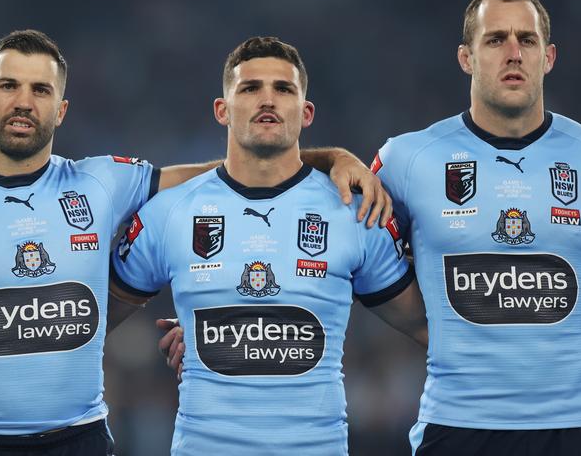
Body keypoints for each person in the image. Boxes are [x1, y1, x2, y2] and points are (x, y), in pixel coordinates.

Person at [0, 29, 391, 456]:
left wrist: (332, 157)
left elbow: (238, 168)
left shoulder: (102, 181)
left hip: (79, 439)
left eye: (41, 90)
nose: (24, 102)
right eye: (9, 85)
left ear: (61, 110)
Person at [109, 36, 427, 455]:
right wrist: (208, 338)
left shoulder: (355, 212)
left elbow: (429, 327)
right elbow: (85, 327)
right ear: (222, 110)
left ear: (306, 112)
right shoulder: (168, 213)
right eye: (250, 88)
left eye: (284, 89)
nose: (268, 99)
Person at [372, 0, 581, 455]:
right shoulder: (406, 159)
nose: (513, 53)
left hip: (579, 427)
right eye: (495, 40)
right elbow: (331, 250)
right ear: (466, 58)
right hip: (457, 427)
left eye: (527, 40)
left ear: (548, 57)